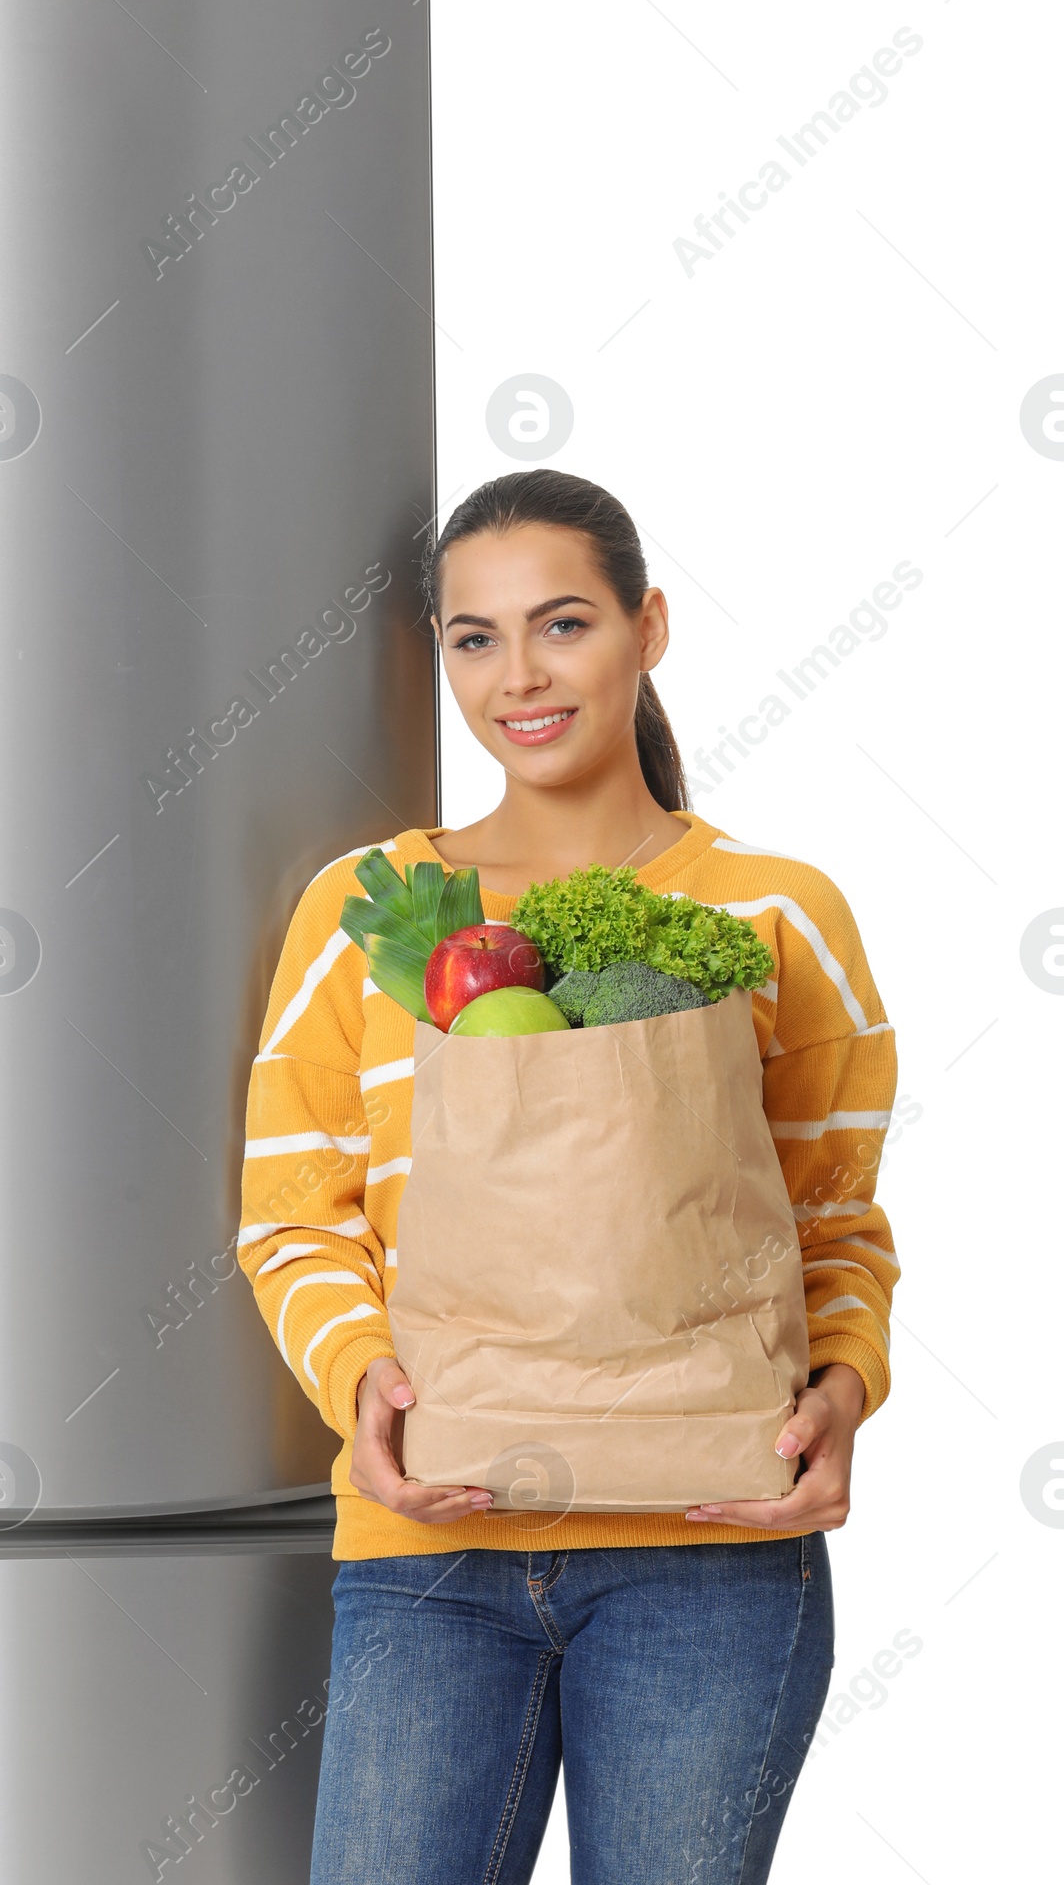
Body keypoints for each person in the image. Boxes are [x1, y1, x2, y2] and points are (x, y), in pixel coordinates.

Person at [238, 469, 900, 1884]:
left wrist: (843, 1393)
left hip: (710, 1548)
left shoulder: (778, 911)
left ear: (647, 628)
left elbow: (834, 1222)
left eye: (563, 625)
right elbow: (295, 1210)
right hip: (426, 1542)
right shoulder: (370, 910)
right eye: (474, 639)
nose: (519, 677)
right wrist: (364, 1389)